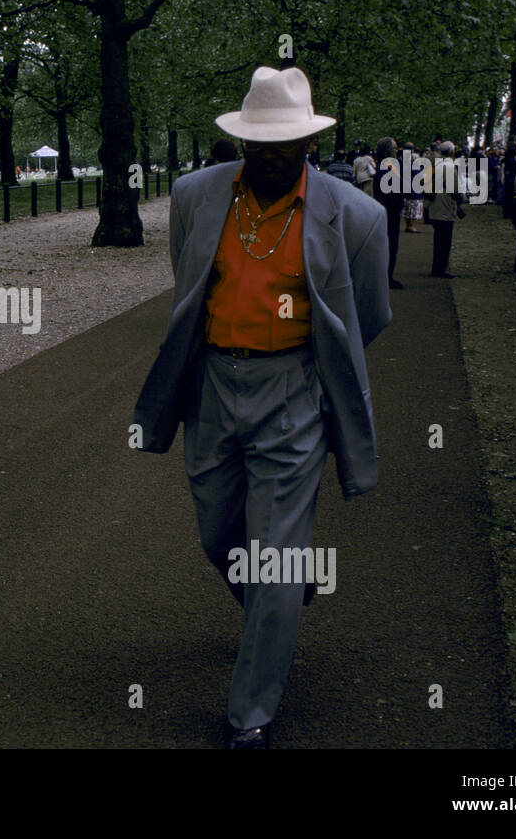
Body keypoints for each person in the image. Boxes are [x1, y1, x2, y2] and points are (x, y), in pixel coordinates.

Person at [133, 66, 390, 748]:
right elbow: (188, 283)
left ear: (310, 143)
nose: (271, 156)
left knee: (275, 557)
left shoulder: (357, 216)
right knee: (219, 535)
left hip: (293, 392)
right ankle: (275, 605)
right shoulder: (194, 196)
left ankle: (251, 713)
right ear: (241, 142)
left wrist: (311, 363)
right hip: (215, 384)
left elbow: (367, 315)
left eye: (286, 145)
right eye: (259, 144)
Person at [426, 141, 465, 277]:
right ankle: (440, 269)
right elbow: (454, 189)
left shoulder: (435, 164)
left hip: (435, 203)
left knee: (438, 239)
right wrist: (461, 199)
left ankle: (437, 267)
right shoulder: (449, 166)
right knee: (445, 240)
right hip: (445, 205)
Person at [371, 137, 405, 288]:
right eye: (395, 148)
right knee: (391, 245)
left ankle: (384, 276)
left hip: (384, 208)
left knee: (385, 245)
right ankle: (387, 277)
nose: (396, 151)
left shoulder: (382, 166)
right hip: (390, 210)